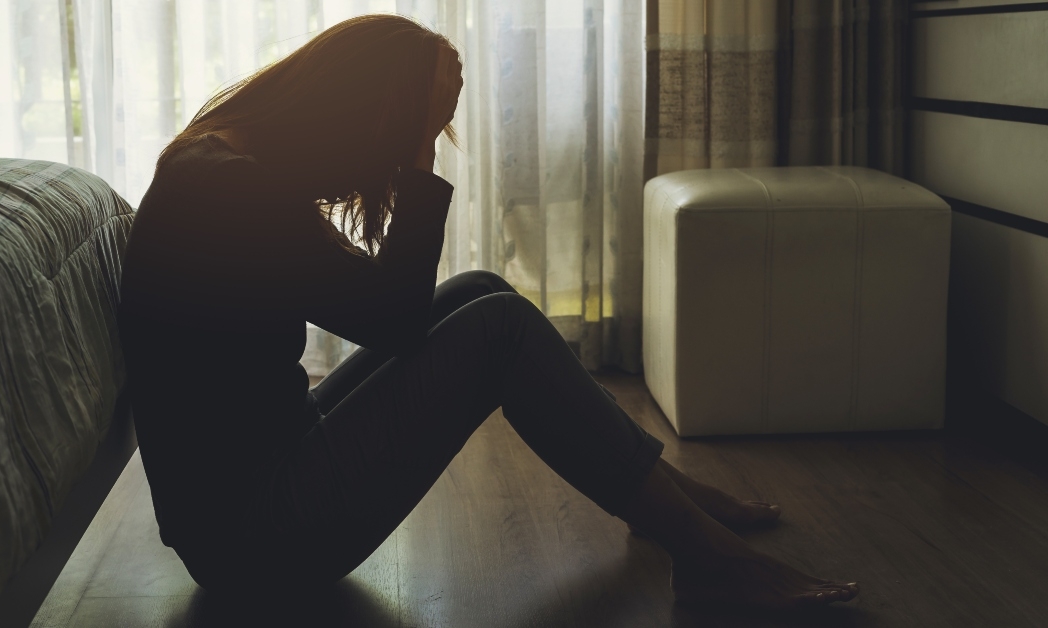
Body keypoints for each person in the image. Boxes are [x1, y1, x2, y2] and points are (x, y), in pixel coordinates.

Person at [116, 14, 858, 611]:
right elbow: (394, 318)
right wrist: (418, 156)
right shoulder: (232, 189)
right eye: (401, 137)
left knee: (478, 290)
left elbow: (384, 310)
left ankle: (656, 494)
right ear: (357, 112)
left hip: (251, 498)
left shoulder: (220, 165)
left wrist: (415, 129)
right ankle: (706, 557)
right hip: (259, 539)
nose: (391, 161)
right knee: (499, 330)